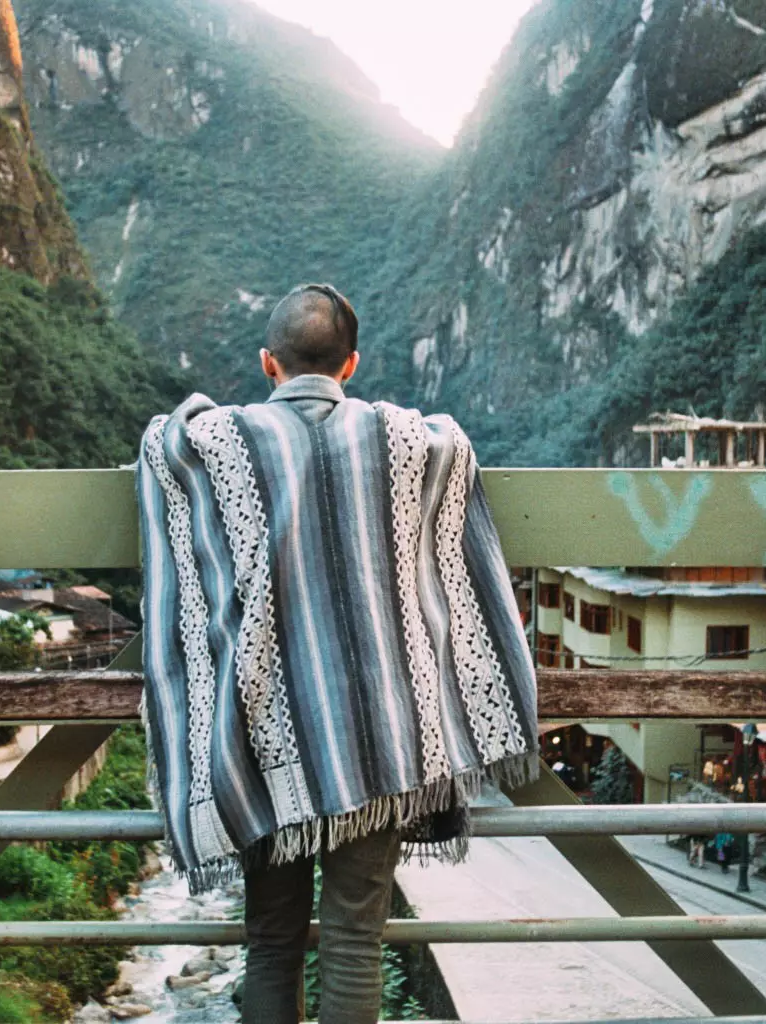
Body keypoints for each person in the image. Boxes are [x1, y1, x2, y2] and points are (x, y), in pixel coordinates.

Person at [136, 283, 540, 1024]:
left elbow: (169, 437)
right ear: (352, 365)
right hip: (379, 734)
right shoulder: (405, 437)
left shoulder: (228, 440)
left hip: (266, 734)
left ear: (268, 363)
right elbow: (452, 443)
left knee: (271, 941)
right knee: (357, 940)